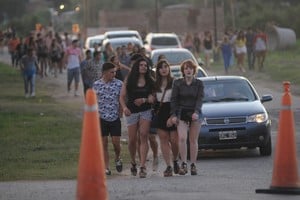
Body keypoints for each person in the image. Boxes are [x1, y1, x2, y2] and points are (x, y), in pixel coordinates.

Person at [119, 57, 155, 178]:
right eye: (141, 65)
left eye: (145, 65)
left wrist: (145, 99)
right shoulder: (129, 79)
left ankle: (143, 166)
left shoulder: (150, 80)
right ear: (137, 67)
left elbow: (153, 98)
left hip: (145, 110)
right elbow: (122, 97)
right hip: (131, 112)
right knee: (132, 140)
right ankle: (133, 162)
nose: (144, 67)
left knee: (144, 135)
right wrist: (124, 108)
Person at [169, 59, 204, 176]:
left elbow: (200, 99)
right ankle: (183, 163)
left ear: (194, 70)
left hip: (195, 112)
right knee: (182, 138)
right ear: (183, 71)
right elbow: (173, 100)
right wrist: (173, 115)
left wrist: (196, 112)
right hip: (181, 112)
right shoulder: (177, 83)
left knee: (193, 140)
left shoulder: (199, 83)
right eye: (186, 68)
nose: (188, 70)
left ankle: (193, 164)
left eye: (190, 68)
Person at [93, 62, 123, 176]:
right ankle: (106, 167)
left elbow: (122, 99)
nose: (114, 74)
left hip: (114, 117)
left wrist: (121, 111)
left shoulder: (119, 84)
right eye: (112, 72)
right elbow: (93, 101)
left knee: (116, 142)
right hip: (101, 118)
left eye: (115, 72)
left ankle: (117, 157)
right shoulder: (96, 85)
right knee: (104, 143)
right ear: (104, 73)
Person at [154, 59, 179, 177]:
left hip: (172, 111)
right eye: (161, 67)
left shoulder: (175, 82)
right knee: (163, 140)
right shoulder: (155, 85)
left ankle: (175, 160)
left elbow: (178, 101)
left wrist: (173, 116)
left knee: (174, 141)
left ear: (169, 69)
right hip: (160, 112)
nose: (164, 69)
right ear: (158, 70)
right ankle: (168, 166)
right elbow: (153, 102)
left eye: (166, 67)